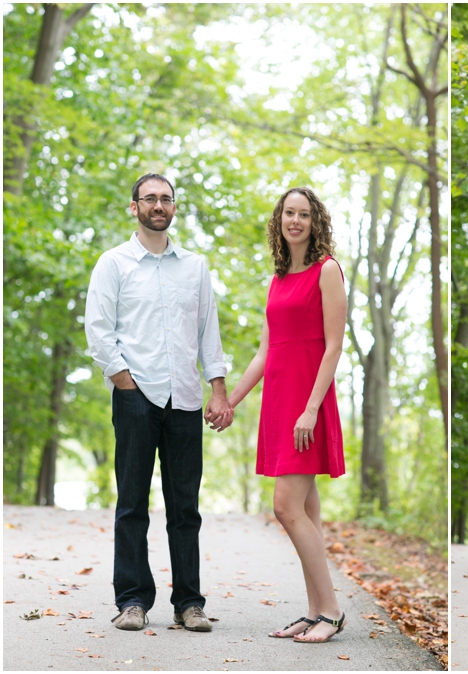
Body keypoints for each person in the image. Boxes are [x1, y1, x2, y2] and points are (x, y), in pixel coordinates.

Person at [85, 173, 232, 632]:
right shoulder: (114, 264)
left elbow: (209, 331)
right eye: (149, 198)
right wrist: (124, 382)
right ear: (134, 207)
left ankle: (189, 603)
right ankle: (131, 601)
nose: (158, 205)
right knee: (132, 503)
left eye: (165, 199)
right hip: (135, 398)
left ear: (173, 207)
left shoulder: (195, 267)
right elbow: (98, 329)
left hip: (185, 400)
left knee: (184, 507)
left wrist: (219, 388)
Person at [227, 186, 348, 643]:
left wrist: (311, 409)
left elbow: (333, 346)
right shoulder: (278, 279)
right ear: (279, 221)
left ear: (316, 221)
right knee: (307, 514)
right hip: (280, 402)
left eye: (304, 214)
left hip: (307, 404)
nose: (295, 220)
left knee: (285, 507)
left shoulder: (327, 270)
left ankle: (332, 612)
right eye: (288, 213)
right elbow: (265, 351)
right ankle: (315, 609)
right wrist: (230, 401)